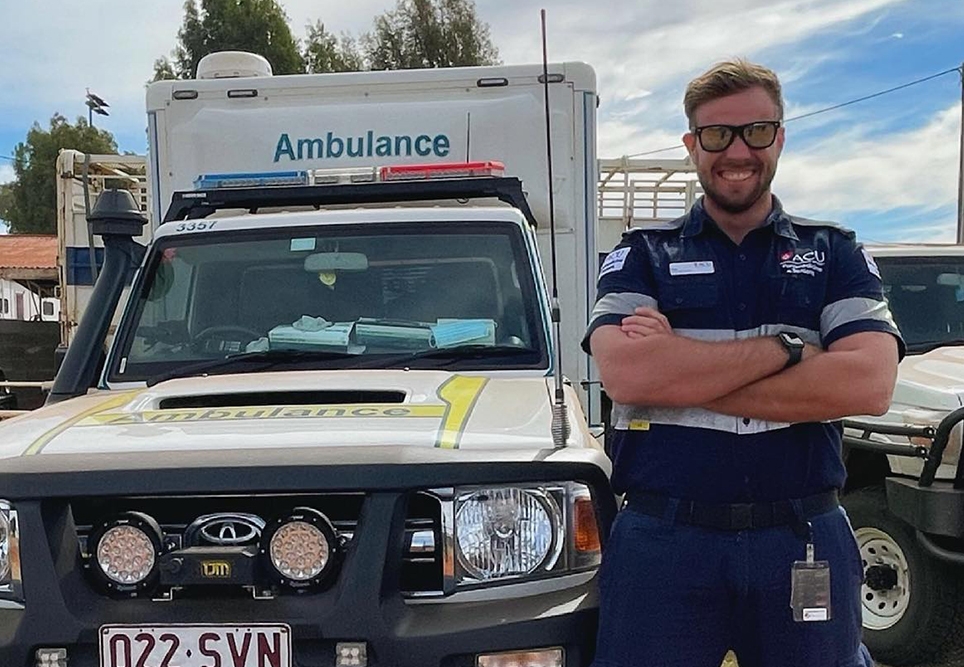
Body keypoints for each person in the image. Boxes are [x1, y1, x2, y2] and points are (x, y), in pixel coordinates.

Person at [584, 59, 902, 667]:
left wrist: (682, 373)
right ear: (690, 146)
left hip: (802, 536)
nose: (737, 150)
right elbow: (628, 375)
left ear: (779, 136)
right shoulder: (641, 254)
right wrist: (787, 352)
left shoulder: (834, 251)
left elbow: (869, 382)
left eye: (756, 130)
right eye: (716, 134)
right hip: (663, 542)